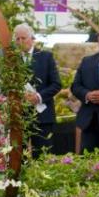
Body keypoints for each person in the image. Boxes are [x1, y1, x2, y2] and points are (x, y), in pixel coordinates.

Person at [13, 24, 61, 156]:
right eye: (17, 39)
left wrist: (38, 97)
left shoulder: (46, 57)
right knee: (18, 156)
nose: (20, 42)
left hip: (42, 115)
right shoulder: (11, 59)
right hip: (19, 115)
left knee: (43, 155)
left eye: (23, 38)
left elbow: (56, 84)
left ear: (32, 38)